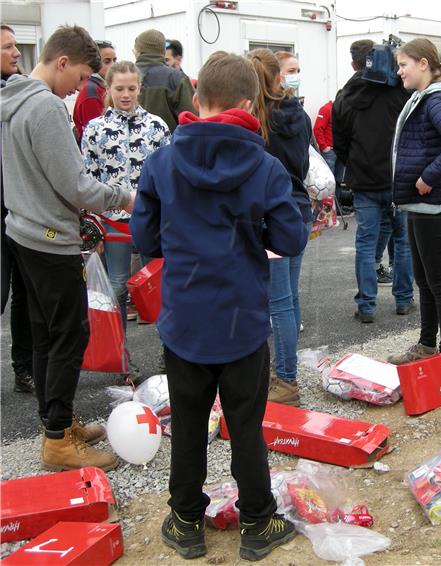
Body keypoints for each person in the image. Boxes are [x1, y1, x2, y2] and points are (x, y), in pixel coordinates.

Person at [130, 51, 306, 561]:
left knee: (187, 425)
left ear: (197, 96)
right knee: (246, 425)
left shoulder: (162, 160)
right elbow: (290, 238)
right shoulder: (264, 165)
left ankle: (186, 519)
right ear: (249, 103)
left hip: (184, 317)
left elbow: (146, 237)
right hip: (242, 320)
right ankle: (257, 522)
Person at [2, 25, 134, 471]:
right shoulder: (44, 107)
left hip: (23, 231)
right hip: (50, 240)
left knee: (45, 335)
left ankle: (55, 421)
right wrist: (123, 196)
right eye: (79, 78)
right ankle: (58, 441)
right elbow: (75, 185)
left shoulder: (12, 98)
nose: (80, 89)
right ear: (62, 62)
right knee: (68, 335)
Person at [81, 60, 170, 379]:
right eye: (119, 89)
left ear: (140, 88)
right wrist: (90, 227)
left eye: (132, 88)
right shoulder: (94, 129)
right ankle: (122, 360)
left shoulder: (157, 126)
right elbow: (87, 179)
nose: (126, 94)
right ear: (108, 89)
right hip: (113, 222)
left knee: (158, 289)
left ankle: (169, 353)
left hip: (153, 221)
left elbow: (170, 174)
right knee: (117, 289)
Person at [387, 38, 441, 365]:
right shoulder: (424, 99)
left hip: (436, 206)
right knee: (425, 280)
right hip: (422, 207)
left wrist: (428, 177)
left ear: (424, 64)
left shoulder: (436, 101)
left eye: (404, 65)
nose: (399, 72)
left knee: (439, 282)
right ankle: (426, 345)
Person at [248, 48, 313, 406]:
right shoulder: (298, 113)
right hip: (298, 209)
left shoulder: (257, 118)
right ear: (278, 77)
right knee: (289, 298)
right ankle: (286, 371)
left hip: (269, 213)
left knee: (278, 301)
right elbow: (302, 163)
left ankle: (285, 378)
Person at [332, 39, 414, 324]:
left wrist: (354, 163)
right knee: (403, 242)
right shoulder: (403, 94)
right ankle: (403, 299)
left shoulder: (347, 95)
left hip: (364, 182)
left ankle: (366, 305)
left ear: (358, 64)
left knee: (365, 244)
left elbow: (339, 143)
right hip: (399, 180)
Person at [1, 24, 34, 394]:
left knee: (26, 293)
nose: (15, 52)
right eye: (8, 47)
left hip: (22, 210)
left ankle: (24, 369)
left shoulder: (24, 93)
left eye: (15, 45)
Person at [134, 29, 195, 131]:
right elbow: (192, 118)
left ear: (138, 51)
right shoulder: (176, 78)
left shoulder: (122, 75)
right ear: (163, 51)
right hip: (169, 144)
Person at [73, 40, 116, 142]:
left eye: (115, 60)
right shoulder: (92, 93)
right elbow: (96, 135)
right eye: (107, 61)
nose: (113, 65)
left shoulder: (101, 86)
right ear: (94, 63)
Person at [314, 99, 335, 172]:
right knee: (329, 180)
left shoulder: (341, 111)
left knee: (338, 180)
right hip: (330, 152)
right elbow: (317, 129)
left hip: (340, 151)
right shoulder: (326, 109)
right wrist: (324, 147)